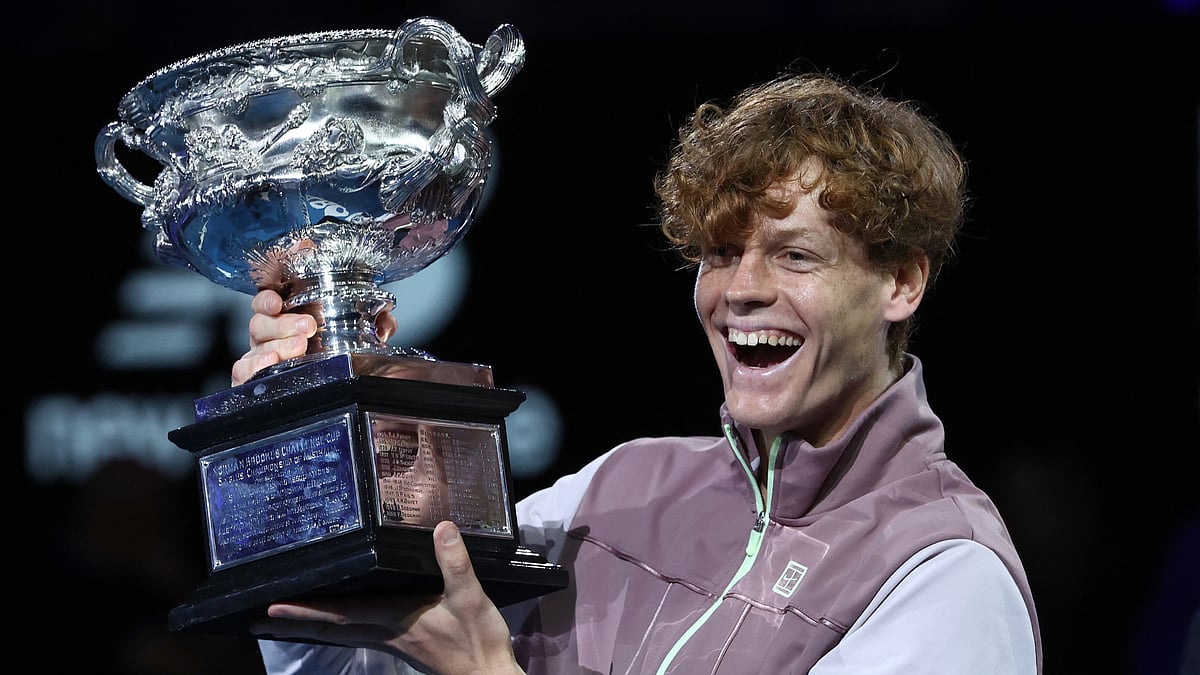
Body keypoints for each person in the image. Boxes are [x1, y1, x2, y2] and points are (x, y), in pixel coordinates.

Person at [236, 71, 1042, 674]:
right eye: (721, 253)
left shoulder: (943, 570)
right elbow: (339, 657)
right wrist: (308, 427)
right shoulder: (611, 492)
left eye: (796, 255)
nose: (743, 290)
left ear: (901, 282)